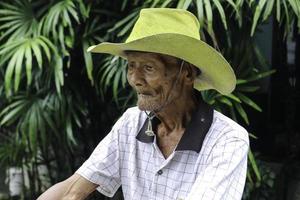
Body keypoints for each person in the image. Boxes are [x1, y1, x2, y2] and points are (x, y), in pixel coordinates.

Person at [38, 8, 249, 200]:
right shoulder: (132, 122)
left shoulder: (227, 139)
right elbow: (73, 190)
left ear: (187, 74)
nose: (135, 79)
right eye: (131, 66)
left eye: (149, 68)